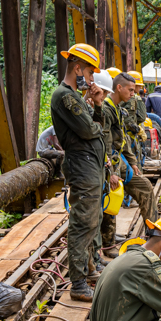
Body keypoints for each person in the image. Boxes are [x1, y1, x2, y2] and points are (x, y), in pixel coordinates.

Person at [51, 43, 108, 301]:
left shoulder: (78, 97)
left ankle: (91, 267)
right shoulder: (66, 96)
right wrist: (94, 125)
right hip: (82, 165)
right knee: (82, 223)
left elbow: (95, 124)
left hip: (91, 165)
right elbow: (88, 130)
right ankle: (77, 284)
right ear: (77, 68)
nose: (92, 78)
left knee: (93, 220)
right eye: (90, 72)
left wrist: (96, 104)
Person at [99, 71, 159, 258]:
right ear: (119, 87)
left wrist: (133, 163)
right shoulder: (106, 110)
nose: (133, 93)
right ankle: (108, 246)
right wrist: (112, 173)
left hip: (121, 163)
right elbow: (105, 146)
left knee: (146, 188)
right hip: (110, 165)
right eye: (131, 90)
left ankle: (153, 235)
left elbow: (122, 140)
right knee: (111, 200)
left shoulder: (118, 109)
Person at [124, 71, 148, 168]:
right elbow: (141, 117)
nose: (140, 88)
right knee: (134, 165)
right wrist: (138, 130)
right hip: (129, 137)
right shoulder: (133, 99)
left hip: (129, 137)